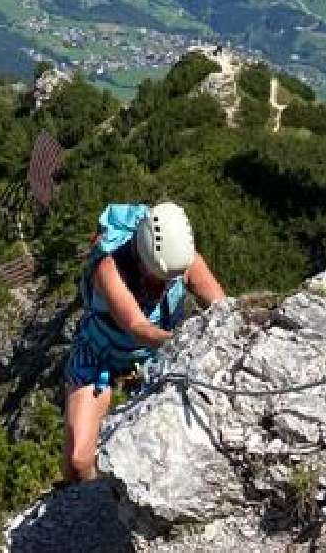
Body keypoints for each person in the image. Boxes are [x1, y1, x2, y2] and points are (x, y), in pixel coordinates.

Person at [62, 202, 227, 483]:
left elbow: (223, 308)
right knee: (79, 459)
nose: (165, 286)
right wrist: (181, 341)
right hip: (101, 353)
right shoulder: (110, 270)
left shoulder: (183, 261)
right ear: (141, 258)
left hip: (157, 354)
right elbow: (138, 327)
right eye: (158, 277)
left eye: (171, 280)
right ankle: (75, 500)